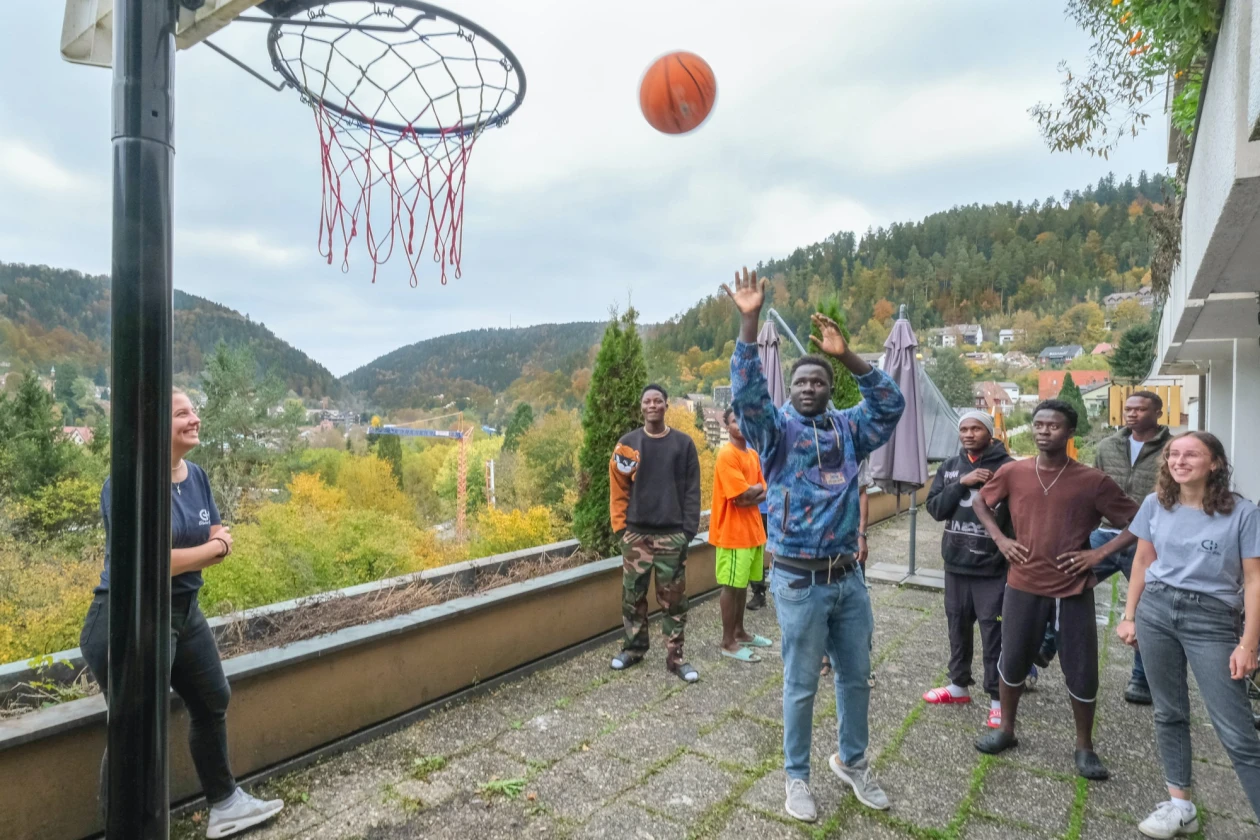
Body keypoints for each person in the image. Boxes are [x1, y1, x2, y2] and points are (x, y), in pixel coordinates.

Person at [725, 268, 905, 823]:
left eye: (818, 381)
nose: (807, 387)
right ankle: (796, 777)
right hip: (799, 581)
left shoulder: (849, 429)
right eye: (800, 381)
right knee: (800, 685)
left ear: (830, 388)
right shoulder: (775, 432)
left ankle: (852, 762)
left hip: (849, 578)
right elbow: (747, 395)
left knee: (855, 678)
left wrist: (847, 356)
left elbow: (891, 405)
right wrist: (749, 320)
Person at [79, 389, 284, 839]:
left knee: (213, 698)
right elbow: (149, 562)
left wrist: (204, 548)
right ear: (155, 426)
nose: (195, 419)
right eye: (182, 413)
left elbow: (212, 529)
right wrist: (212, 550)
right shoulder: (128, 483)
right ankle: (123, 829)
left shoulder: (197, 477)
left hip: (183, 610)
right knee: (134, 728)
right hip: (127, 619)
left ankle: (225, 802)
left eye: (194, 411)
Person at [971, 399, 1138, 780]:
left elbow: (1139, 520)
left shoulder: (1092, 481)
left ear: (1070, 432)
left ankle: (1084, 746)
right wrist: (1000, 540)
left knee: (1081, 668)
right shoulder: (1014, 472)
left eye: (1054, 425)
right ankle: (1006, 730)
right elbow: (980, 502)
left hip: (1071, 589)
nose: (1044, 430)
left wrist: (1098, 554)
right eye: (1039, 424)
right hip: (1022, 585)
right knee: (1011, 659)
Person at [1116, 432, 1260, 837]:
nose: (1179, 461)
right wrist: (1129, 616)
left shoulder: (1244, 514)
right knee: (1168, 712)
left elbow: (1254, 582)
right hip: (1156, 610)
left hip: (1212, 619)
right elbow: (1143, 559)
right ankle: (1181, 807)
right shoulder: (1156, 503)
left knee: (1236, 731)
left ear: (1214, 463)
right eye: (1173, 454)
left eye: (1191, 454)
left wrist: (1248, 644)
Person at [1040, 391, 1172, 705]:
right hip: (1108, 533)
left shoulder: (1172, 449)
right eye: (1128, 409)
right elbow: (1094, 491)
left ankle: (1142, 677)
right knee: (1064, 579)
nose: (1133, 414)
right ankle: (1044, 646)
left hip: (1153, 541)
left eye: (1141, 409)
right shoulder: (1107, 446)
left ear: (1157, 412)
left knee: (1147, 606)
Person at [922, 409, 1014, 729]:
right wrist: (962, 483)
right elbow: (935, 508)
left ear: (990, 432)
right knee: (957, 626)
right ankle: (958, 685)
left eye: (976, 428)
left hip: (993, 567)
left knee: (994, 633)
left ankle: (998, 699)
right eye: (964, 429)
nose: (969, 434)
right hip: (956, 563)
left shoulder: (1009, 468)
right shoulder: (950, 468)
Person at [608, 383, 702, 682]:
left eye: (658, 400)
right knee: (632, 597)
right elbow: (618, 488)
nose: (652, 405)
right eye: (647, 401)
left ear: (666, 406)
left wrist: (687, 530)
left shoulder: (683, 444)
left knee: (673, 601)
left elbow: (691, 491)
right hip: (635, 536)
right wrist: (621, 528)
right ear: (641, 406)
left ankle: (676, 659)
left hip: (671, 535)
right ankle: (634, 650)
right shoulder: (628, 444)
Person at [710, 407, 773, 662]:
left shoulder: (753, 455)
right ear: (727, 426)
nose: (741, 425)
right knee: (731, 586)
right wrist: (753, 492)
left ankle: (739, 632)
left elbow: (764, 488)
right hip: (732, 533)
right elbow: (740, 497)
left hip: (752, 532)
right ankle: (727, 642)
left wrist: (753, 491)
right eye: (736, 421)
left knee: (742, 585)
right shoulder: (727, 455)